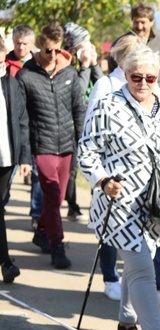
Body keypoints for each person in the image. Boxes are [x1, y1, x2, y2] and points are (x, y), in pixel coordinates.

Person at [78, 45, 160, 330]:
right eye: (136, 77)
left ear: (157, 77)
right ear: (126, 74)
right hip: (120, 204)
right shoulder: (107, 106)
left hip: (159, 204)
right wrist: (103, 180)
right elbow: (86, 152)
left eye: (150, 78)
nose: (143, 83)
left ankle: (126, 321)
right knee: (144, 270)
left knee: (137, 266)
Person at [16, 23, 85, 269]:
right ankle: (57, 245)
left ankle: (41, 232)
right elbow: (21, 119)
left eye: (57, 50)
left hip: (67, 146)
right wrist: (25, 156)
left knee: (56, 200)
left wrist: (83, 144)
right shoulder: (25, 75)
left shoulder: (70, 73)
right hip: (42, 145)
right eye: (48, 50)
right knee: (53, 195)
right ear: (39, 47)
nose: (53, 56)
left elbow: (79, 110)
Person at [62, 22, 105, 222]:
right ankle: (72, 206)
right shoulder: (67, 66)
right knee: (72, 169)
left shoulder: (91, 62)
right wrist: (85, 66)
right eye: (83, 46)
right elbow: (77, 93)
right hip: (73, 124)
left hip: (95, 125)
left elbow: (103, 87)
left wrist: (94, 64)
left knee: (98, 167)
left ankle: (97, 206)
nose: (88, 49)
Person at [0, 37, 32, 283]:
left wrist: (24, 158)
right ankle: (6, 262)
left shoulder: (11, 84)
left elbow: (22, 122)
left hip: (5, 159)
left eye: (2, 63)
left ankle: (6, 262)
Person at [5, 25, 40, 214]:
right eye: (18, 43)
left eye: (25, 44)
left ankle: (36, 216)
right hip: (12, 128)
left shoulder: (38, 64)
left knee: (37, 176)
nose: (21, 47)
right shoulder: (5, 63)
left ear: (32, 43)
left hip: (35, 127)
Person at [108, 2, 160, 93]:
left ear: (152, 22)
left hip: (158, 94)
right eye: (136, 22)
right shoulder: (121, 43)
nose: (139, 26)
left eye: (143, 22)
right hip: (126, 95)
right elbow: (112, 66)